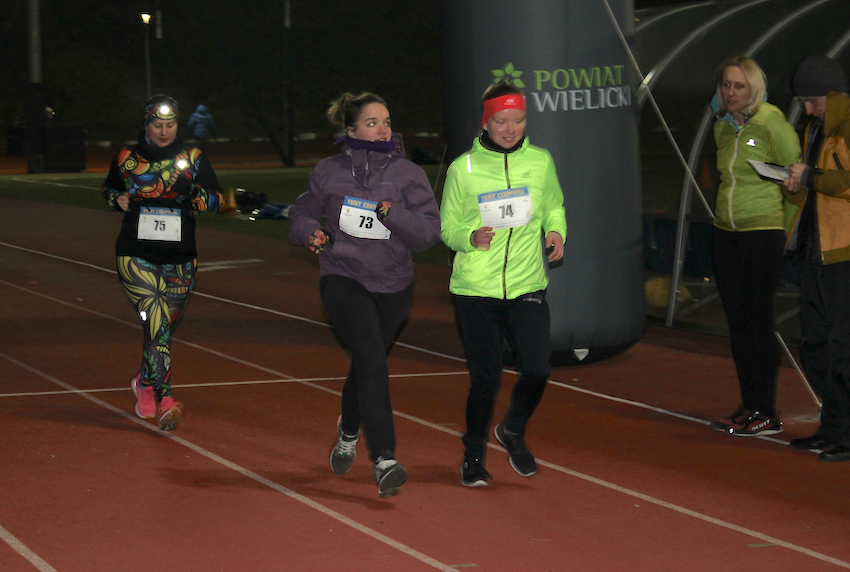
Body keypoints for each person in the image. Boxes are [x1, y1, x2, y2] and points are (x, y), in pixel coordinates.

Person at [288, 92, 441, 497]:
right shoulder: (329, 171)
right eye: (372, 123)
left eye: (386, 122)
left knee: (365, 364)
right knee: (373, 361)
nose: (383, 129)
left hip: (394, 285)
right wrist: (310, 232)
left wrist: (394, 214)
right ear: (351, 129)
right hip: (343, 277)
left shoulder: (409, 174)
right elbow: (300, 213)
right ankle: (385, 458)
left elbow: (428, 233)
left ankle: (348, 430)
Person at [440, 81, 567, 487]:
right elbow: (447, 227)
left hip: (526, 284)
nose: (510, 129)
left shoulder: (540, 162)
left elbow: (553, 205)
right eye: (501, 121)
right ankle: (474, 456)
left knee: (537, 368)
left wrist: (556, 231)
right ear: (486, 122)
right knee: (486, 379)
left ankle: (512, 428)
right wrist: (469, 238)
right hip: (476, 289)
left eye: (518, 120)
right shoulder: (463, 169)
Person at [101, 95, 226, 431]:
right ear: (146, 125)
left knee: (162, 330)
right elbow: (109, 190)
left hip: (181, 258)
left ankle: (144, 383)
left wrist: (195, 196)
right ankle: (165, 399)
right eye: (157, 125)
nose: (164, 131)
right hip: (135, 254)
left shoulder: (193, 157)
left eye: (170, 125)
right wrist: (117, 198)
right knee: (156, 323)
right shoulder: (127, 158)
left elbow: (218, 199)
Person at [706, 56, 801, 437]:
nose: (731, 92)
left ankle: (766, 410)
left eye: (739, 86)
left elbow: (797, 179)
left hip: (762, 231)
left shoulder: (771, 123)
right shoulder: (722, 126)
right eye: (726, 85)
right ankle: (750, 405)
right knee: (738, 322)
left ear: (754, 89)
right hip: (725, 231)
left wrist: (788, 233)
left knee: (758, 320)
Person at [781, 55, 850, 462]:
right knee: (816, 344)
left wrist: (810, 177)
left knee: (842, 347)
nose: (807, 109)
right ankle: (833, 427)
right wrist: (793, 184)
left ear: (833, 95)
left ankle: (845, 432)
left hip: (843, 254)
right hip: (816, 251)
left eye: (812, 101)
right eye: (804, 102)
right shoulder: (816, 129)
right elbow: (811, 193)